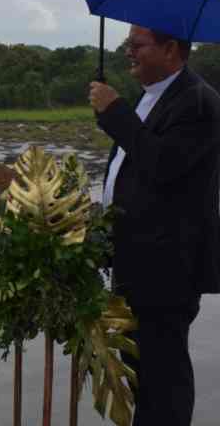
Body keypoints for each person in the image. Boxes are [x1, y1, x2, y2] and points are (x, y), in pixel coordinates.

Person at [89, 24, 220, 426]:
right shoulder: (152, 96)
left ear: (170, 49)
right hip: (135, 259)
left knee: (164, 376)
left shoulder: (198, 102)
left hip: (168, 267)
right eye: (129, 43)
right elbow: (135, 165)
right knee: (140, 367)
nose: (129, 51)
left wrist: (114, 112)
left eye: (138, 45)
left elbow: (164, 165)